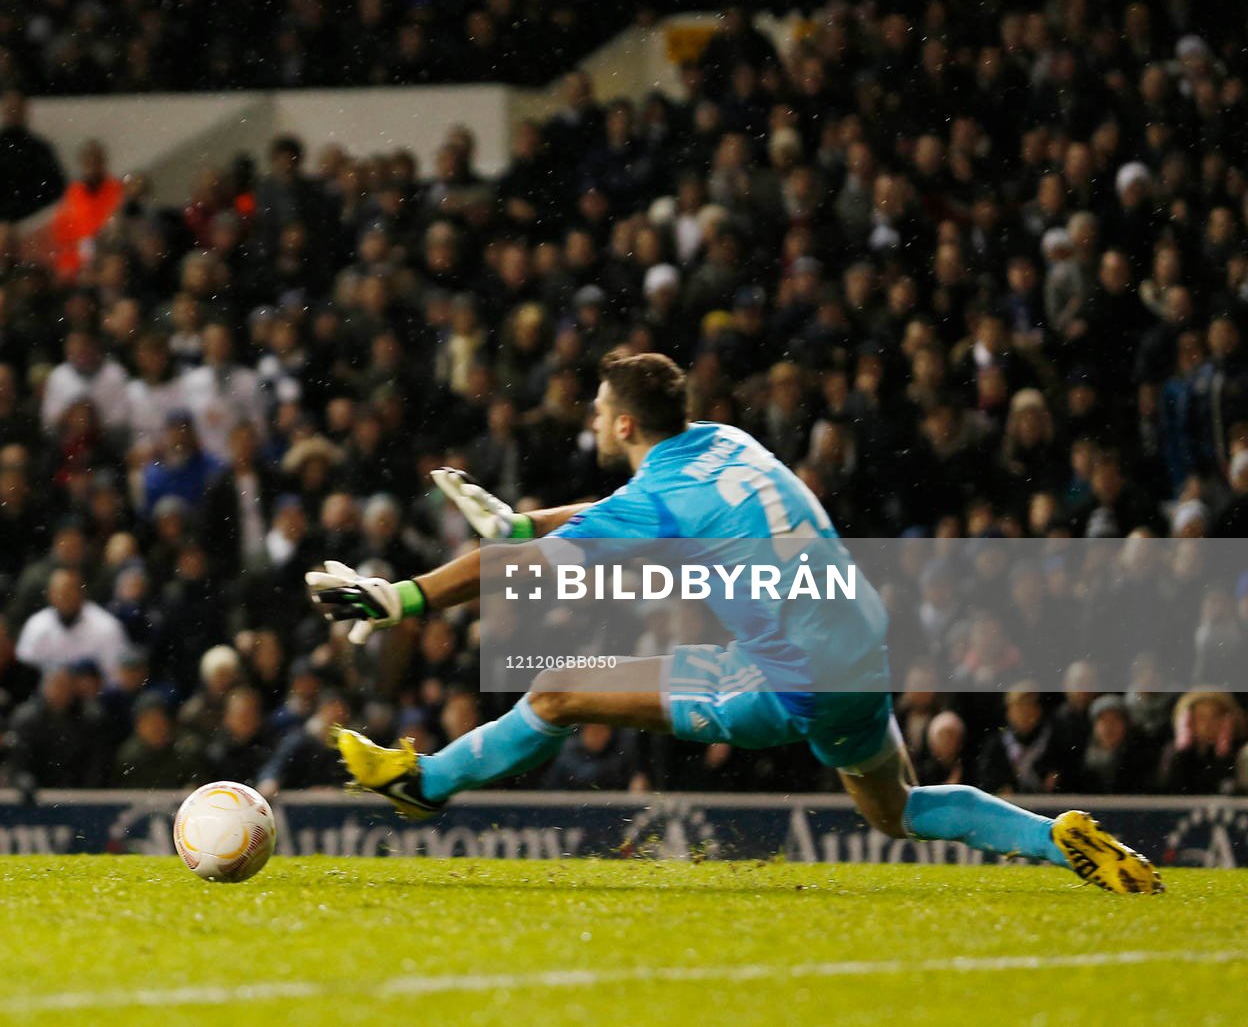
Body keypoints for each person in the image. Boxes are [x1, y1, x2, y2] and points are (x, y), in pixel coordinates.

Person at [314, 350, 1163, 894]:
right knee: (894, 808)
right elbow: (617, 510)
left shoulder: (660, 495)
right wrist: (519, 520)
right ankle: (1054, 835)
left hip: (791, 676)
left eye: (597, 410)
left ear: (621, 423)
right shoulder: (726, 439)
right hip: (861, 644)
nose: (592, 421)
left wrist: (404, 597)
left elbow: (528, 567)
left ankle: (425, 785)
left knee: (558, 691)